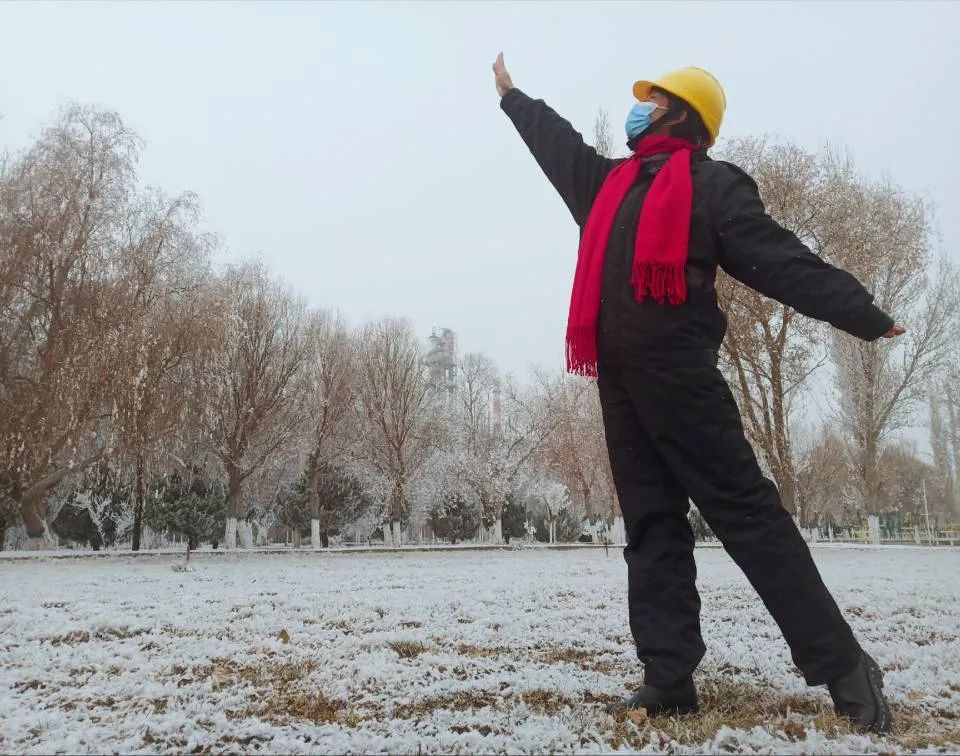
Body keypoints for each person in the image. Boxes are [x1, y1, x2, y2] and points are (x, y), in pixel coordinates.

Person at [492, 52, 903, 734]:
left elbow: (781, 260)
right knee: (651, 527)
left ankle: (846, 668)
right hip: (620, 383)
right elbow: (558, 145)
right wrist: (514, 98)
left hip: (682, 377)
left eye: (652, 100)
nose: (640, 109)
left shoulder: (712, 186)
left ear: (682, 114)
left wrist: (860, 312)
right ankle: (669, 677)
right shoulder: (607, 184)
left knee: (749, 520)